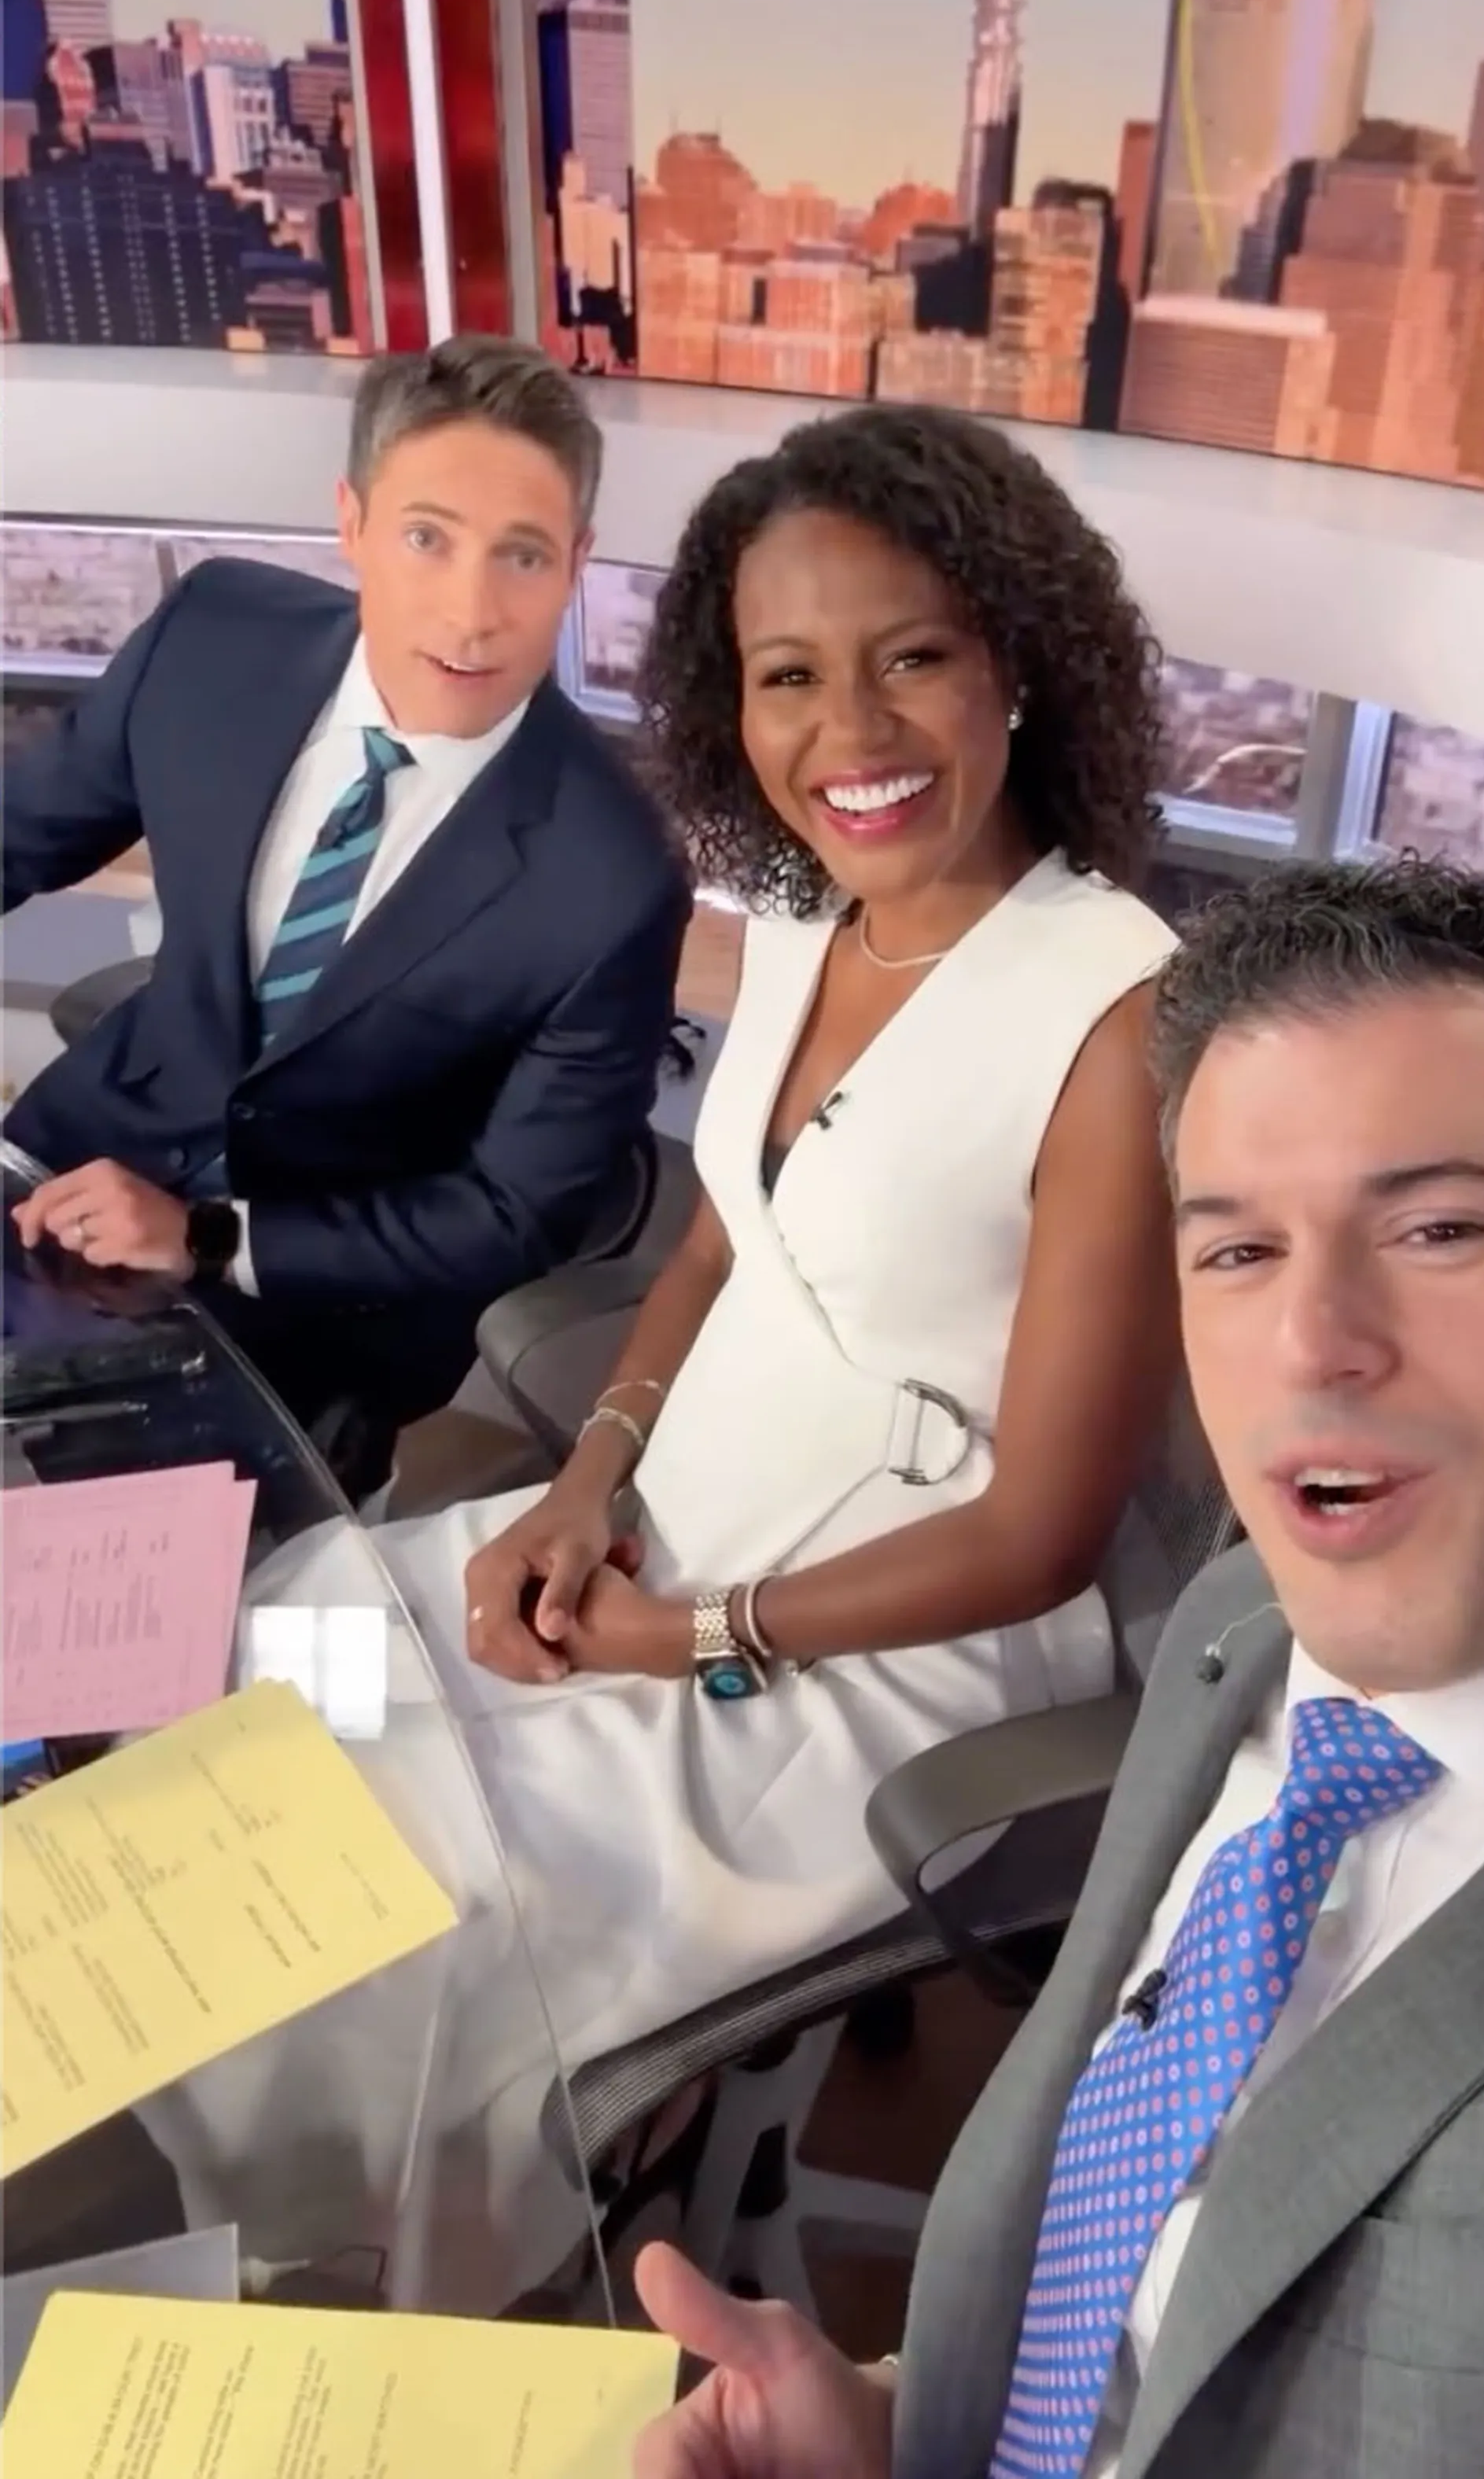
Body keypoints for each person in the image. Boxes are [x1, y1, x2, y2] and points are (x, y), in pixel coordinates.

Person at [148, 402, 1181, 2308]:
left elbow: (1041, 1532)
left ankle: (384, 2304)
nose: (849, 739)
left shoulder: (1117, 1013)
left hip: (882, 1645)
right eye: (790, 678)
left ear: (1018, 665)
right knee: (267, 1655)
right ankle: (195, 2196)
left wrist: (684, 1636)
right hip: (658, 1532)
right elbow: (719, 1240)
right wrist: (588, 1483)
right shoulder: (802, 923)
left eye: (914, 660)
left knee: (412, 1910)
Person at [633, 854, 1484, 2479]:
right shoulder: (1234, 1639)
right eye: (1235, 1252)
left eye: (1435, 1228)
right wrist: (900, 2433)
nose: (1312, 1342)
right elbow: (1149, 2280)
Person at [2, 336, 689, 1473]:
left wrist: (208, 1238)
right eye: (427, 539)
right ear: (353, 524)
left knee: (203, 1631)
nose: (471, 614)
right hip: (71, 1169)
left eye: (521, 556)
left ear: (576, 564)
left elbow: (517, 1212)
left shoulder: (612, 876)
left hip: (314, 1309)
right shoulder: (214, 640)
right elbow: (23, 828)